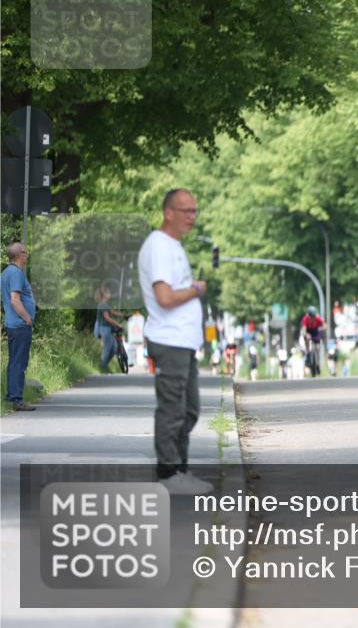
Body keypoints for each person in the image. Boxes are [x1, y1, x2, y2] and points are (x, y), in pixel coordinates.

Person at [138, 188, 212, 495]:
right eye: (186, 211)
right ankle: (167, 472)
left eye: (194, 210)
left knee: (189, 410)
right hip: (169, 341)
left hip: (183, 342)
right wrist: (196, 289)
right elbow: (165, 297)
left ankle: (180, 467)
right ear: (168, 213)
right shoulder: (159, 246)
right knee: (172, 409)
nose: (192, 217)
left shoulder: (173, 246)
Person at [2, 242, 36, 411]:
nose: (27, 255)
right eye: (26, 252)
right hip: (20, 324)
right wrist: (27, 318)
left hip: (12, 324)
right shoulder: (16, 274)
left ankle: (11, 395)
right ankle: (17, 399)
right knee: (20, 362)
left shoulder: (7, 272)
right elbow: (15, 300)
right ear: (19, 254)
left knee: (14, 361)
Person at [95, 286, 126, 373]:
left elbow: (113, 312)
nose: (110, 294)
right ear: (104, 295)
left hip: (109, 329)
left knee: (114, 350)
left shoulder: (105, 305)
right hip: (105, 329)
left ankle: (103, 366)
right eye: (108, 292)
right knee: (107, 349)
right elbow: (107, 318)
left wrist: (124, 315)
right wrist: (118, 324)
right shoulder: (102, 305)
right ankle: (102, 368)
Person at [300, 306, 325, 376]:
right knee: (306, 338)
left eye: (313, 316)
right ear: (308, 315)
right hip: (308, 331)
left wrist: (321, 328)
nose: (312, 318)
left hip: (315, 332)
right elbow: (304, 329)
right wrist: (306, 334)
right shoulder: (305, 319)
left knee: (318, 348)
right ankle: (308, 354)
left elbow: (325, 325)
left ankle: (317, 365)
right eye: (311, 316)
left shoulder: (318, 319)